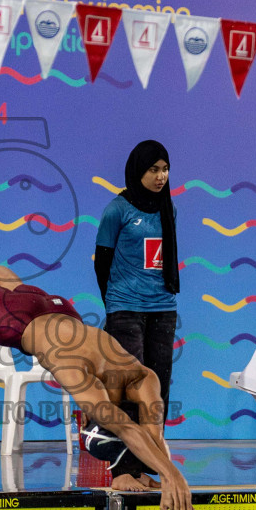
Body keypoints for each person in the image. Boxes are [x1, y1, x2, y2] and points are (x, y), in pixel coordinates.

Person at [0, 253, 196, 510]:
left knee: (11, 284)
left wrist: (165, 475)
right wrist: (173, 475)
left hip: (57, 308)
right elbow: (132, 430)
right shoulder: (83, 375)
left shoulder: (142, 377)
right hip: (16, 322)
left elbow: (151, 434)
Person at [95, 139, 180, 426]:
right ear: (137, 171)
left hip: (163, 308)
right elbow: (102, 263)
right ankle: (127, 464)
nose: (161, 176)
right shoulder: (117, 210)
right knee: (131, 386)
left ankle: (151, 460)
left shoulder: (170, 209)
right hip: (125, 310)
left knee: (158, 389)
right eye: (154, 169)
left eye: (165, 169)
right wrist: (114, 306)